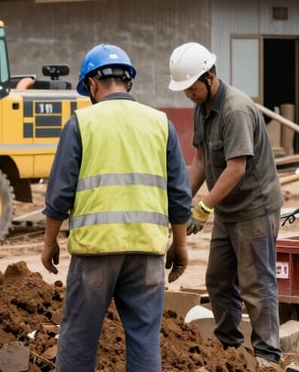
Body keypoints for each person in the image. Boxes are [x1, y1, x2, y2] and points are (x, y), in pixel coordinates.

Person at [41, 44, 192, 372]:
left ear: (93, 85)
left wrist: (49, 242)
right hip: (147, 253)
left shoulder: (81, 123)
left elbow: (59, 196)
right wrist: (179, 246)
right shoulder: (160, 123)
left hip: (96, 252)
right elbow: (179, 196)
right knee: (144, 340)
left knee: (79, 339)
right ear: (128, 82)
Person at [168, 42, 284, 368]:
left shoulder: (235, 109)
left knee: (256, 284)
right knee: (218, 280)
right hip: (228, 210)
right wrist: (181, 204)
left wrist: (203, 209)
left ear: (209, 77)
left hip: (255, 208)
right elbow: (202, 161)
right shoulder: (201, 109)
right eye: (184, 90)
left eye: (191, 87)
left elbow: (236, 169)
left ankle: (267, 356)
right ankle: (231, 347)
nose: (188, 94)